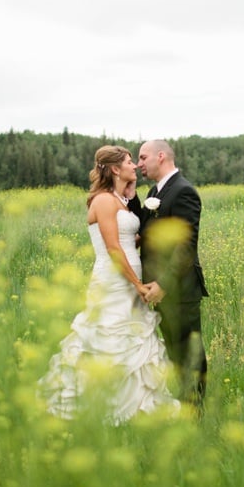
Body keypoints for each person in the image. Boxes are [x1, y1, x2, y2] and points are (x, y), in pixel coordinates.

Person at [38, 145, 180, 424]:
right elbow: (114, 249)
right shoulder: (103, 201)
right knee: (108, 341)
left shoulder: (121, 200)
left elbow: (129, 241)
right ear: (115, 168)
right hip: (113, 281)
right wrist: (138, 285)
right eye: (130, 162)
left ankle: (135, 408)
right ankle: (100, 406)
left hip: (127, 279)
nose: (135, 166)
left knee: (132, 342)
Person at [131, 139, 208, 411]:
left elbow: (185, 246)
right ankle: (183, 410)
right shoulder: (155, 191)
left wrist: (163, 284)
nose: (138, 163)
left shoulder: (184, 192)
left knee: (189, 356)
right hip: (159, 290)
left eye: (142, 157)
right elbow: (143, 228)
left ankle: (196, 414)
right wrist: (130, 192)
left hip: (180, 291)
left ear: (160, 156)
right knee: (175, 357)